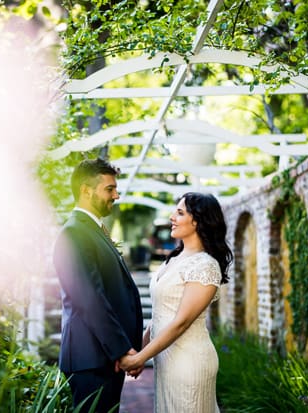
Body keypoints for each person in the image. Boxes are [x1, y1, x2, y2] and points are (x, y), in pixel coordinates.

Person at [118, 192, 232, 413]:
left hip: (188, 362)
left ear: (198, 220)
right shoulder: (174, 258)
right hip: (166, 359)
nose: (172, 217)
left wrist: (141, 357)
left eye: (179, 213)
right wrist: (140, 350)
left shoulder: (205, 265)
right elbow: (161, 314)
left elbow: (181, 322)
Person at [53, 158, 144, 412]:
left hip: (104, 357)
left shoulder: (93, 230)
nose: (116, 195)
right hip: (91, 359)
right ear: (85, 190)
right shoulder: (74, 233)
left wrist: (127, 349)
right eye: (109, 189)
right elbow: (90, 299)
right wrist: (122, 350)